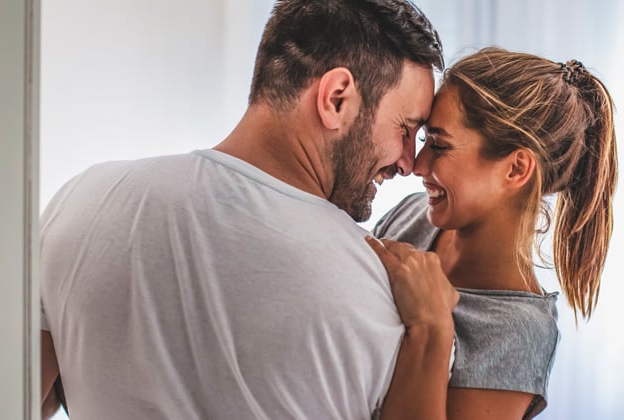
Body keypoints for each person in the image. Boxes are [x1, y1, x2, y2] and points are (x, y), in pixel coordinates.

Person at [38, 0, 444, 418]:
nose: (408, 163)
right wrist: (432, 330)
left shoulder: (80, 202)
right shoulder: (383, 287)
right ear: (336, 99)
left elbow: (17, 396)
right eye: (405, 129)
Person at [368, 47, 618, 419]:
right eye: (423, 141)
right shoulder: (412, 217)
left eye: (439, 145)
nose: (416, 166)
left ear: (516, 169)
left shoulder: (518, 331)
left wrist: (432, 325)